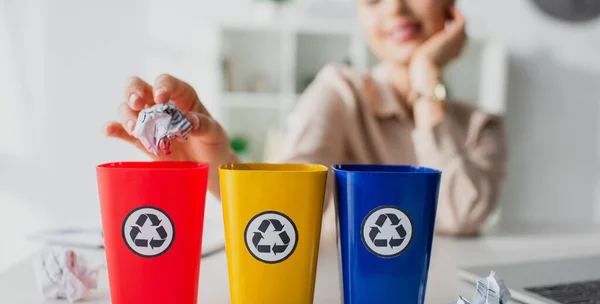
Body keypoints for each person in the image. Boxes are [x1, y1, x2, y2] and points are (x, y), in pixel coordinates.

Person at [105, 0, 506, 237]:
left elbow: (462, 214)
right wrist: (213, 160)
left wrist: (424, 76)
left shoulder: (479, 126)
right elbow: (285, 209)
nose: (396, 8)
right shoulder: (340, 91)